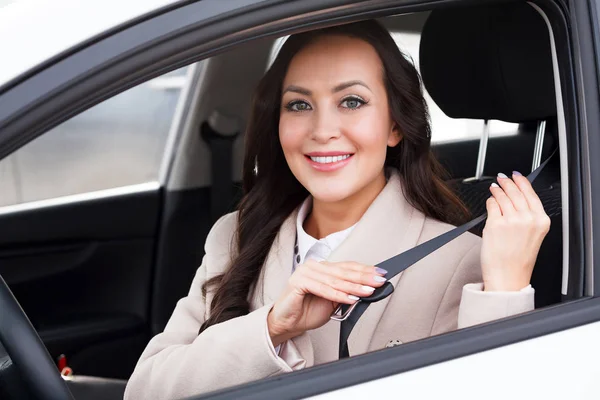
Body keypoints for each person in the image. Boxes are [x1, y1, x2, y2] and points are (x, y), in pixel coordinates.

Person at [124, 20, 550, 400]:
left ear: (396, 125)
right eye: (299, 105)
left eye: (351, 102)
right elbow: (146, 390)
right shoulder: (234, 236)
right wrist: (272, 328)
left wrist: (504, 291)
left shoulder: (459, 261)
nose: (322, 131)